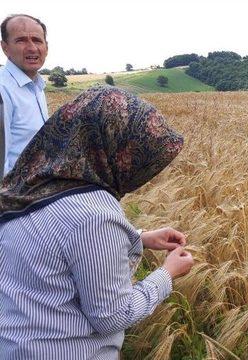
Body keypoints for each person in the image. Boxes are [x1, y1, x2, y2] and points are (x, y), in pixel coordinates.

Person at [0, 85, 194, 359]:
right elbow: (113, 315)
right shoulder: (95, 217)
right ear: (116, 150)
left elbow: (56, 246)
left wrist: (140, 238)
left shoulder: (33, 187)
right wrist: (167, 274)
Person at [0, 14, 49, 175]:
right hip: (15, 195)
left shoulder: (37, 87)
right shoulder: (3, 89)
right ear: (5, 47)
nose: (32, 48)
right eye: (21, 40)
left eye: (37, 40)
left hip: (36, 189)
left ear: (46, 48)